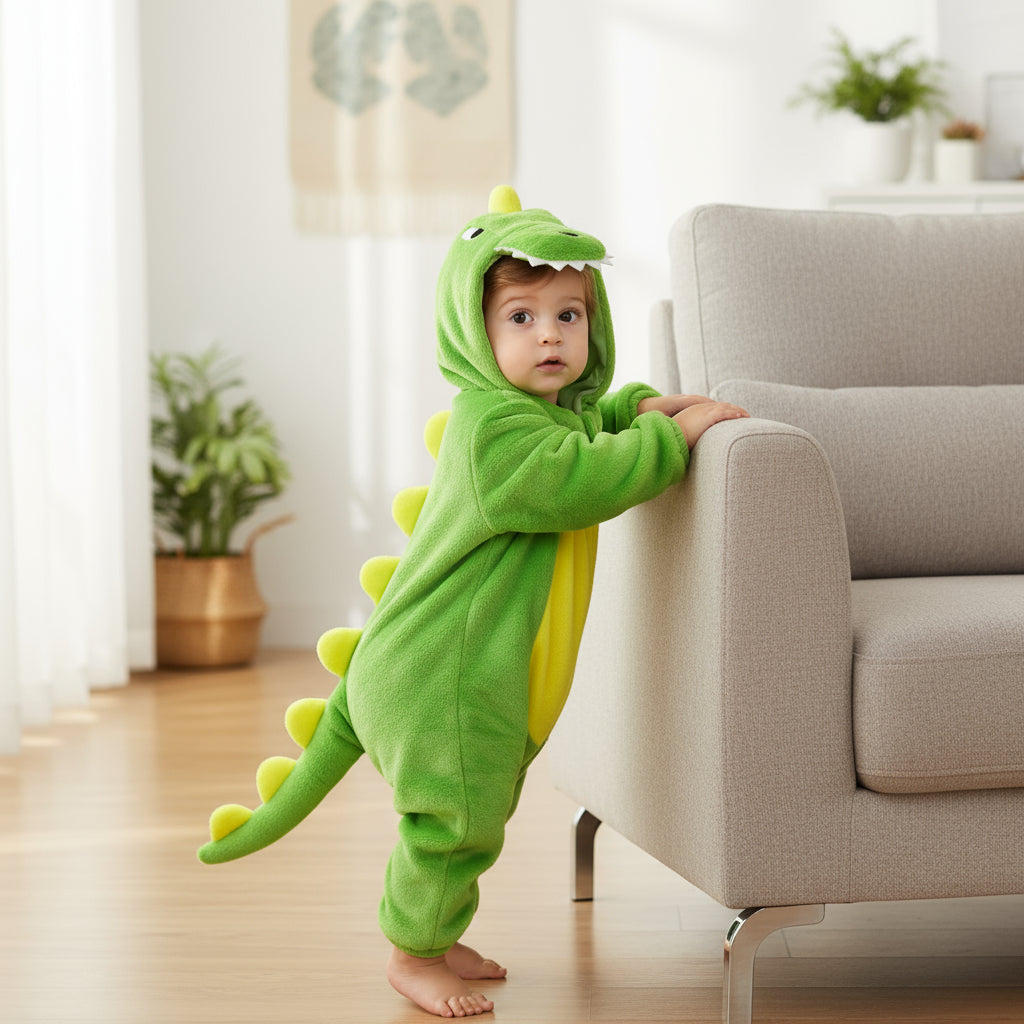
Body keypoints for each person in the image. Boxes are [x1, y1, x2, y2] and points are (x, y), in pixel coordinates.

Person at [196, 186, 748, 1018]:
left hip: (444, 665)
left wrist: (637, 405)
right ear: (474, 332)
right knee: (455, 821)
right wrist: (670, 438)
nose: (550, 335)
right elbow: (582, 476)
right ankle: (412, 953)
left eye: (569, 315)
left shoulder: (531, 413)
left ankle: (438, 929)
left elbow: (585, 427)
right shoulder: (494, 432)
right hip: (437, 674)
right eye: (520, 318)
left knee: (474, 805)